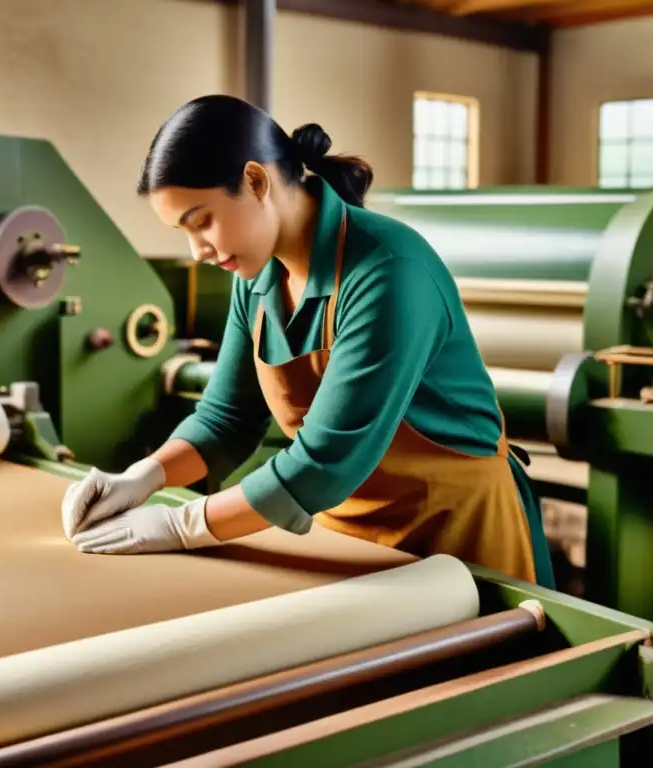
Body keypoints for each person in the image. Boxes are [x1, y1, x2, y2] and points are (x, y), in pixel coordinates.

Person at [60, 94, 555, 589]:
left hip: (457, 535)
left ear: (257, 181)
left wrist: (182, 524)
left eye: (201, 221)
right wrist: (142, 477)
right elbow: (225, 419)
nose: (197, 252)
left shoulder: (387, 271)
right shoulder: (255, 278)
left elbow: (324, 463)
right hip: (345, 533)